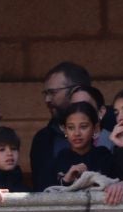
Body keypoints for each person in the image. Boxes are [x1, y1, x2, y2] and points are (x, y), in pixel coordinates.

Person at [31, 61, 91, 191]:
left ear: (75, 91)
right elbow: (42, 188)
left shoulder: (112, 128)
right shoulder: (44, 139)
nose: (47, 99)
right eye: (45, 93)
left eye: (53, 92)